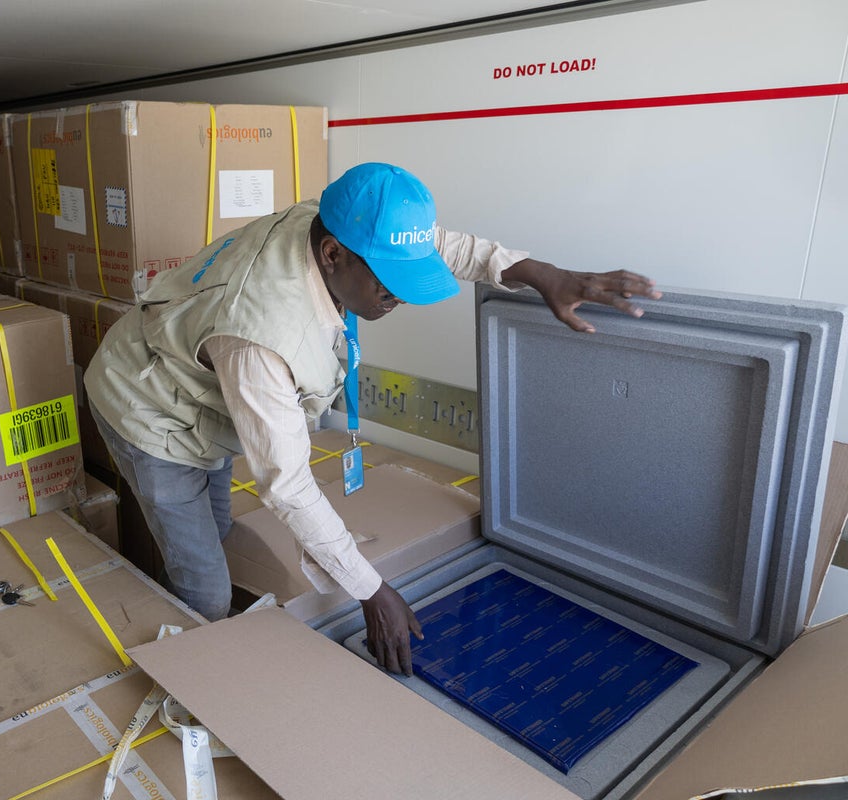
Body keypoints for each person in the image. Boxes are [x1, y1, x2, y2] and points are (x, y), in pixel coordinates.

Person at [83, 162, 660, 676]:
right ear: (332, 255)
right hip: (150, 409)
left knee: (220, 527)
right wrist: (372, 590)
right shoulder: (260, 333)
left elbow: (446, 246)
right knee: (203, 587)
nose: (400, 298)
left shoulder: (338, 216)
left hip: (203, 391)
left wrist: (541, 272)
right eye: (389, 284)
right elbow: (287, 485)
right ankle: (192, 667)